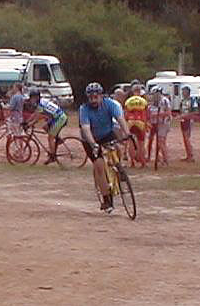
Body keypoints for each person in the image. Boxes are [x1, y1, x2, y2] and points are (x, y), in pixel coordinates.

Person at [79, 82, 131, 213]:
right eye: (90, 98)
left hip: (106, 134)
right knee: (99, 166)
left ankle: (120, 168)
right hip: (90, 139)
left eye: (96, 97)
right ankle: (106, 198)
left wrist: (127, 133)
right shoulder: (84, 109)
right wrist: (93, 144)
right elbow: (85, 129)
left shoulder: (110, 104)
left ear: (102, 96)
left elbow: (120, 119)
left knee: (117, 146)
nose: (93, 100)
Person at [25, 90, 68, 165]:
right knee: (45, 127)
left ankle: (52, 156)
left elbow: (38, 117)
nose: (31, 100)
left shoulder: (41, 104)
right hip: (55, 117)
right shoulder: (40, 102)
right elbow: (35, 114)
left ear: (36, 97)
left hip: (60, 118)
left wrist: (29, 124)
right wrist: (26, 121)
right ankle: (57, 139)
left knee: (50, 137)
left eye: (32, 98)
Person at [124, 84, 148, 168]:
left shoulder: (128, 101)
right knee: (141, 143)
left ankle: (132, 162)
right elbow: (146, 113)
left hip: (130, 122)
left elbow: (125, 113)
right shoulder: (143, 101)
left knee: (131, 143)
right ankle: (143, 162)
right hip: (140, 122)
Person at [149, 87, 171, 166]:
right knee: (160, 142)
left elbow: (168, 112)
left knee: (161, 141)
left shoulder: (164, 101)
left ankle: (166, 160)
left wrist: (156, 115)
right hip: (155, 123)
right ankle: (160, 158)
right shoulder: (153, 101)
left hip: (163, 123)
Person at [177, 85, 198, 162]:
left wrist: (186, 115)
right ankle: (188, 154)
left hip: (189, 121)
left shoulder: (192, 101)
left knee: (187, 138)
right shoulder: (182, 101)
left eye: (184, 91)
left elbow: (196, 111)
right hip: (183, 120)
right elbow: (180, 110)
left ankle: (191, 156)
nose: (182, 93)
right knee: (185, 139)